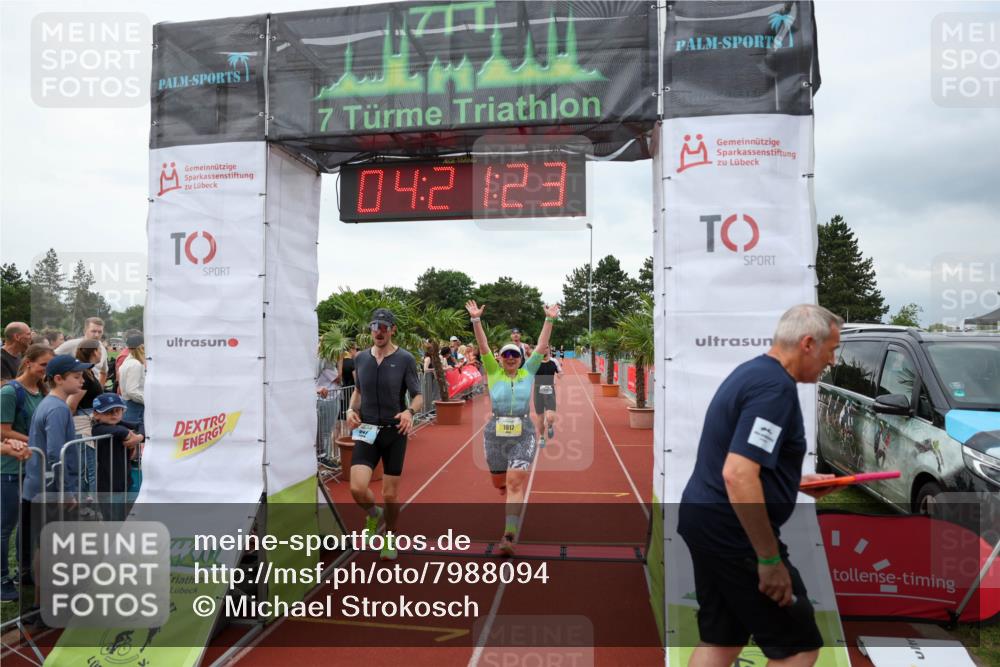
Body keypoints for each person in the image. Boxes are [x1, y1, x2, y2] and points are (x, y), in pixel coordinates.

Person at [677, 304, 843, 667]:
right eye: (832, 349)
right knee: (798, 646)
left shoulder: (753, 374)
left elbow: (743, 459)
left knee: (722, 639)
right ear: (808, 344)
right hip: (732, 531)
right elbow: (737, 474)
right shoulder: (775, 389)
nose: (832, 360)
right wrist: (768, 559)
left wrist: (792, 482)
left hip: (706, 521)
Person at [466, 299, 559, 556]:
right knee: (499, 482)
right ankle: (505, 487)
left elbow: (541, 346)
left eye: (514, 354)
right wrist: (476, 319)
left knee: (515, 482)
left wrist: (549, 319)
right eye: (506, 354)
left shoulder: (528, 372)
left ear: (520, 359)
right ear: (499, 358)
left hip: (523, 431)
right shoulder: (493, 371)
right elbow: (483, 345)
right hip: (494, 432)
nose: (510, 358)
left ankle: (508, 535)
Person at [345, 308, 423, 561]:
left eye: (383, 327)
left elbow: (419, 395)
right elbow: (358, 391)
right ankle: (372, 513)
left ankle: (390, 535)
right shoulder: (361, 358)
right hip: (368, 430)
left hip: (394, 432)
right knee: (357, 488)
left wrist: (409, 412)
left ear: (392, 330)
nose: (378, 331)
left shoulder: (405, 359)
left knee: (390, 494)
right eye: (374, 326)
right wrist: (349, 409)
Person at [0, 345, 52, 600]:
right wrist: (35, 441)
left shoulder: (41, 391)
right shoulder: (11, 392)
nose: (46, 370)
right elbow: (4, 431)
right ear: (28, 362)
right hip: (10, 468)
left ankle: (24, 571)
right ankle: (2, 580)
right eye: (43, 365)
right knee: (5, 526)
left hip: (31, 466)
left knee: (26, 524)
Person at [90, 393, 144, 521]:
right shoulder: (98, 428)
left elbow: (142, 425)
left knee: (129, 519)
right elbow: (121, 432)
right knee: (114, 522)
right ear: (97, 414)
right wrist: (129, 434)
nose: (114, 415)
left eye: (117, 411)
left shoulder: (120, 423)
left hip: (126, 482)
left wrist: (138, 438)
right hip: (108, 487)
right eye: (108, 412)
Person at [68, 339, 104, 492]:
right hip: (84, 426)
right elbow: (71, 404)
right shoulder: (83, 375)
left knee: (88, 467)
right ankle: (90, 505)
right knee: (89, 468)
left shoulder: (89, 371)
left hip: (88, 423)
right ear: (94, 351)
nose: (102, 353)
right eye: (100, 350)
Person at [55, 317, 109, 387]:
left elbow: (104, 372)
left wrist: (99, 390)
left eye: (100, 332)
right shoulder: (72, 344)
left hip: (92, 392)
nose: (97, 335)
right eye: (93, 331)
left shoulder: (102, 349)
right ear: (85, 331)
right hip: (71, 392)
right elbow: (50, 358)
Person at [533, 345, 562, 448]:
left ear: (549, 349)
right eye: (542, 348)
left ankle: (550, 425)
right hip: (537, 391)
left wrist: (560, 374)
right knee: (540, 417)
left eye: (546, 347)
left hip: (549, 390)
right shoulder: (535, 362)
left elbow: (560, 373)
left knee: (549, 417)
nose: (544, 349)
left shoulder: (554, 361)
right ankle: (541, 437)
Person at [118, 333, 145, 426]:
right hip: (134, 407)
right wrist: (148, 401)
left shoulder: (128, 361)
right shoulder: (135, 364)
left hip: (129, 405)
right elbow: (132, 391)